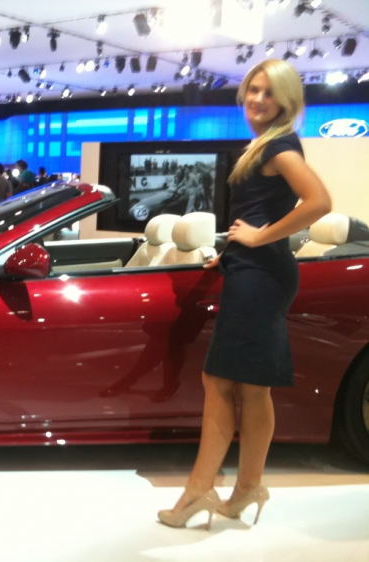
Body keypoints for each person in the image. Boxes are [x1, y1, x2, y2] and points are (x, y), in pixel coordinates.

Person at [157, 60, 332, 530]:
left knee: (219, 381)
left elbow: (320, 202)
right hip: (254, 271)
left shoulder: (279, 146)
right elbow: (260, 207)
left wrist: (259, 238)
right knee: (252, 387)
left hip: (261, 275)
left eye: (269, 93)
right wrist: (236, 246)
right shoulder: (265, 145)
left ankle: (198, 490)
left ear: (287, 102)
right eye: (252, 89)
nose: (257, 99)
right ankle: (247, 488)